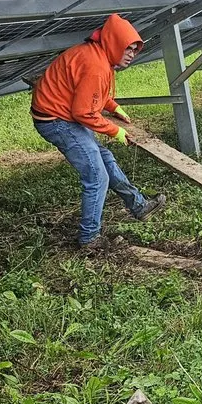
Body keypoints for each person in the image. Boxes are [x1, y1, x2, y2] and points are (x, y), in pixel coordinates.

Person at [31, 13, 165, 248]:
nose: (132, 54)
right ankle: (89, 238)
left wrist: (113, 107)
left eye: (135, 49)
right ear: (114, 43)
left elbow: (92, 92)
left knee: (106, 159)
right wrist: (115, 131)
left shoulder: (98, 55)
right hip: (56, 121)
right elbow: (83, 113)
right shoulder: (96, 65)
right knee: (96, 177)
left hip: (63, 115)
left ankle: (139, 206)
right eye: (128, 48)